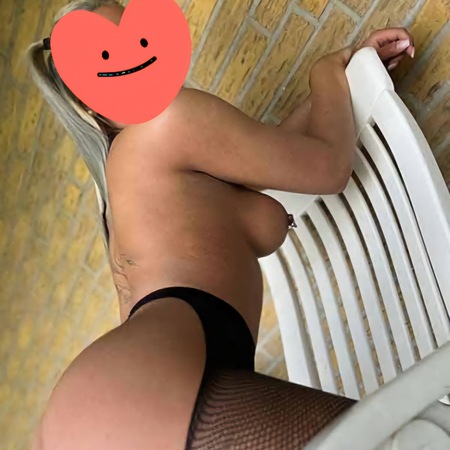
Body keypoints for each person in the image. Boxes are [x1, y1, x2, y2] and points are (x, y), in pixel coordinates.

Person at [27, 1, 415, 448]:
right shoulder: (170, 122)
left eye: (140, 39)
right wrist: (327, 71)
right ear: (86, 98)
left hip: (107, 409)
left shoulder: (127, 175)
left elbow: (265, 155)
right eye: (110, 56)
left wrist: (344, 83)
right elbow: (329, 167)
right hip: (134, 403)